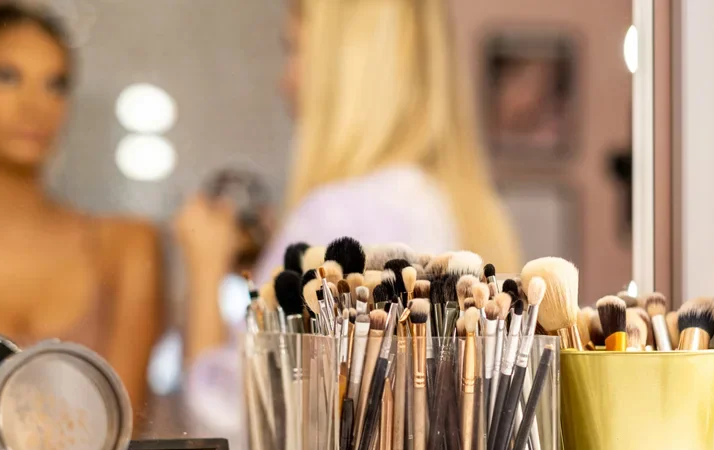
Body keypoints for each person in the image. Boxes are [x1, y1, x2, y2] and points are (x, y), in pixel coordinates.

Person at [175, 0, 521, 362]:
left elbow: (223, 408)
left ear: (344, 67)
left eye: (294, 49)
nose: (284, 82)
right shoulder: (456, 205)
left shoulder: (335, 213)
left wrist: (205, 266)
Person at [0, 3, 162, 429]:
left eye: (55, 84)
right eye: (5, 77)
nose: (35, 105)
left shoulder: (124, 245)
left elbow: (123, 434)